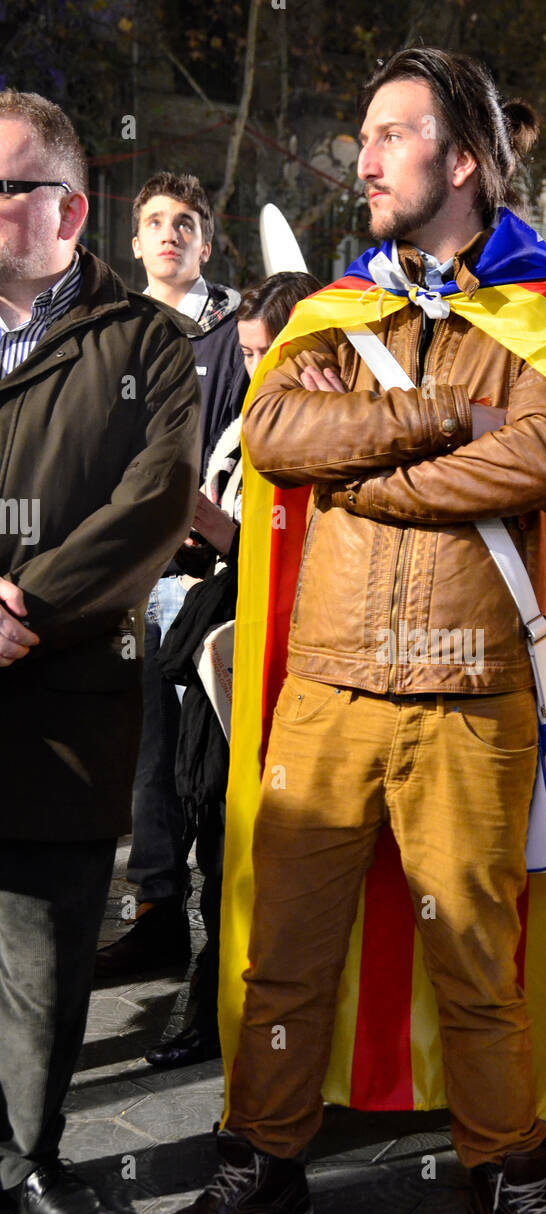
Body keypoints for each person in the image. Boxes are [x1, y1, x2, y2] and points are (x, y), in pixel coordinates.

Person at [126, 46, 546, 1214]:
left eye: (391, 132)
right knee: (282, 957)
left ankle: (506, 1192)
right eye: (362, 135)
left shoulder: (541, 307)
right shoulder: (330, 313)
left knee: (480, 969)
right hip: (327, 690)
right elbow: (283, 435)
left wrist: (370, 471)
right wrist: (448, 420)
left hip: (471, 696)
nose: (364, 155)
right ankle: (259, 1172)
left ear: (460, 158)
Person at [0, 92, 199, 1214]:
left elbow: (156, 504)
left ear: (69, 209)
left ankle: (34, 1152)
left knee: (46, 952)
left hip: (63, 696)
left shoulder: (147, 345)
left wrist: (28, 602)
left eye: (7, 185)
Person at [144, 271, 321, 1071]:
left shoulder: (326, 429)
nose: (253, 367)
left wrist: (216, 530)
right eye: (245, 352)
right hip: (217, 658)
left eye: (267, 349)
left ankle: (235, 1016)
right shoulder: (248, 420)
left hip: (281, 671)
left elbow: (310, 560)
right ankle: (213, 1006)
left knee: (252, 851)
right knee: (212, 837)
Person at [94, 173, 247, 981]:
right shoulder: (111, 327)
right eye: (154, 221)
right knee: (150, 750)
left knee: (212, 752)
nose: (168, 234)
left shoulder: (236, 334)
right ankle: (156, 914)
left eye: (185, 222)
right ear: (134, 240)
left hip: (212, 573)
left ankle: (227, 928)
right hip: (135, 574)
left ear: (206, 241)